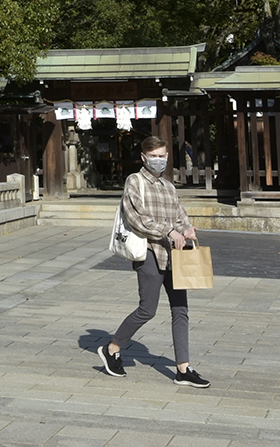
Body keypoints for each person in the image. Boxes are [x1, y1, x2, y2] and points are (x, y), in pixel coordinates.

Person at [100, 136, 208, 387]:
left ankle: (183, 368)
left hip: (174, 254)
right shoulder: (134, 182)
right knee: (147, 309)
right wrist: (168, 231)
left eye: (163, 155)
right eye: (155, 156)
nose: (159, 160)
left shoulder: (169, 187)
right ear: (144, 157)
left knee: (180, 309)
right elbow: (137, 217)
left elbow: (180, 215)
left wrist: (187, 230)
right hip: (149, 251)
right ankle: (112, 348)